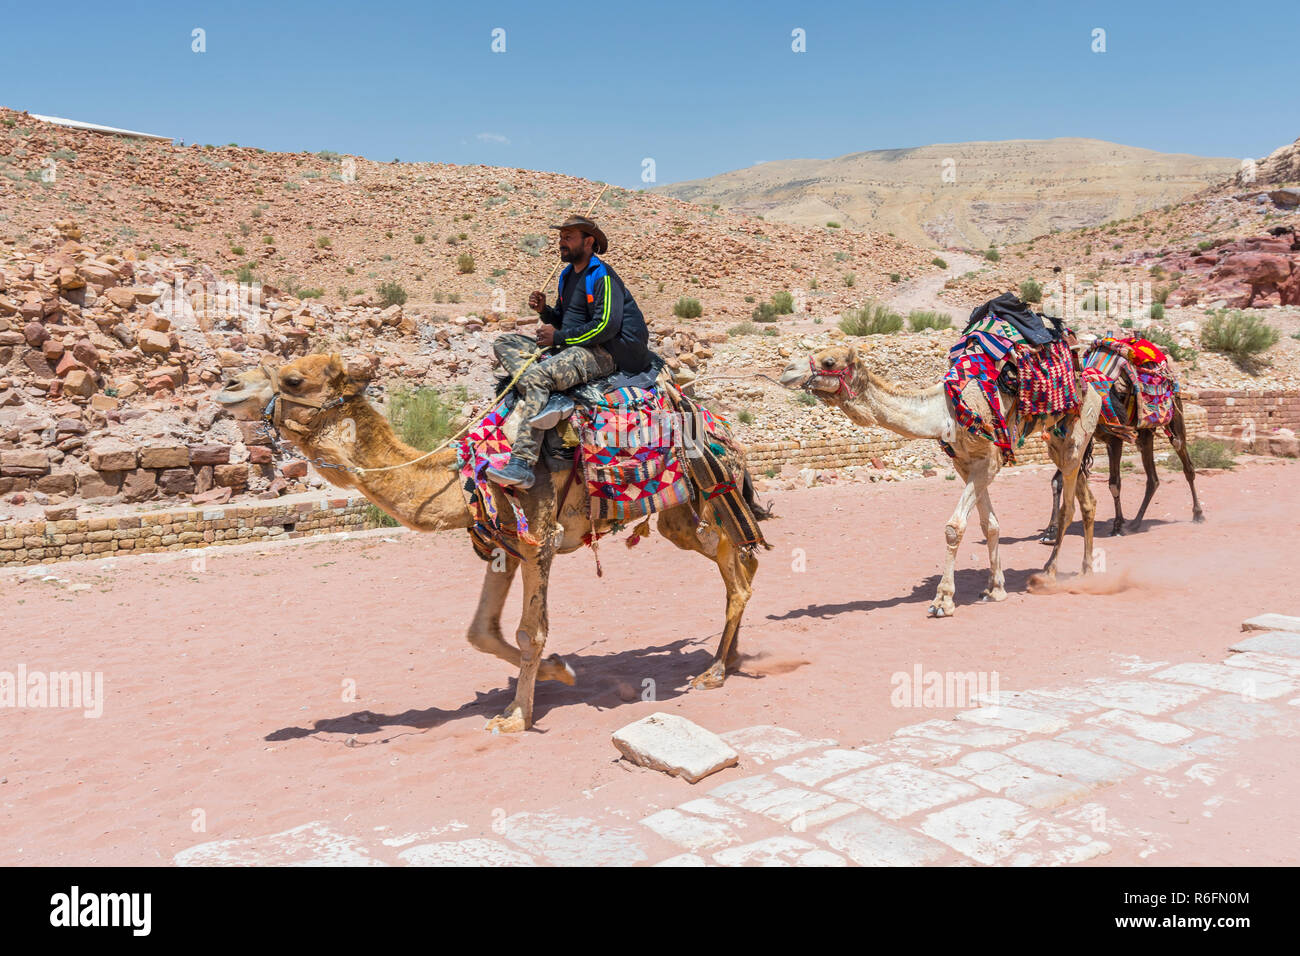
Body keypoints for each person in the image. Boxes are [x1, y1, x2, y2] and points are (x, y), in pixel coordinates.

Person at [487, 215, 650, 489]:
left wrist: (559, 336)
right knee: (504, 343)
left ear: (588, 242)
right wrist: (545, 312)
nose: (561, 243)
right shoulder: (566, 275)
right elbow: (567, 320)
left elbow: (605, 327)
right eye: (561, 237)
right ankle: (554, 398)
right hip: (571, 346)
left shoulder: (603, 276)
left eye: (568, 237)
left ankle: (522, 464)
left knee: (538, 376)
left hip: (603, 352)